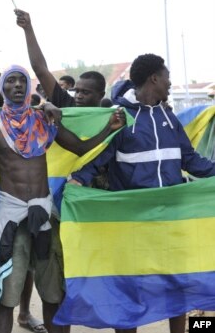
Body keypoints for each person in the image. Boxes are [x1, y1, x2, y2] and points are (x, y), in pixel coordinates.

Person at [0, 65, 124, 333]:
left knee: (53, 294)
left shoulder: (43, 120)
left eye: (21, 81)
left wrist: (109, 128)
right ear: (2, 88)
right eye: (10, 81)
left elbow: (79, 147)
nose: (16, 86)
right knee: (7, 298)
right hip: (10, 215)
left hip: (44, 212)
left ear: (27, 86)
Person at [69, 54, 215, 333]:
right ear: (155, 79)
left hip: (171, 221)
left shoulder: (169, 118)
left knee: (178, 286)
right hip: (132, 225)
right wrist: (78, 181)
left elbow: (192, 160)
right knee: (130, 291)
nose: (171, 83)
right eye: (168, 76)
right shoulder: (120, 116)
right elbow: (100, 157)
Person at [17, 10, 106, 108]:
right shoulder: (66, 103)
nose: (79, 96)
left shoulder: (113, 118)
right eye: (77, 91)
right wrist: (28, 28)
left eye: (85, 92)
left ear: (101, 95)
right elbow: (40, 69)